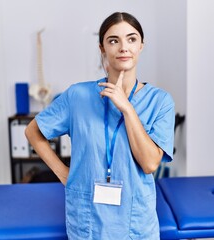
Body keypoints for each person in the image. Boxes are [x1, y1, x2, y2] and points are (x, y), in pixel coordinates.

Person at [25, 11, 175, 239]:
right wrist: (63, 173)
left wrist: (127, 108)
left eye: (131, 39)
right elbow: (33, 131)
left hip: (136, 223)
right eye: (114, 40)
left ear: (141, 46)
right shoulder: (78, 95)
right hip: (87, 221)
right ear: (102, 48)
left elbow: (149, 164)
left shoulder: (160, 101)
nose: (124, 47)